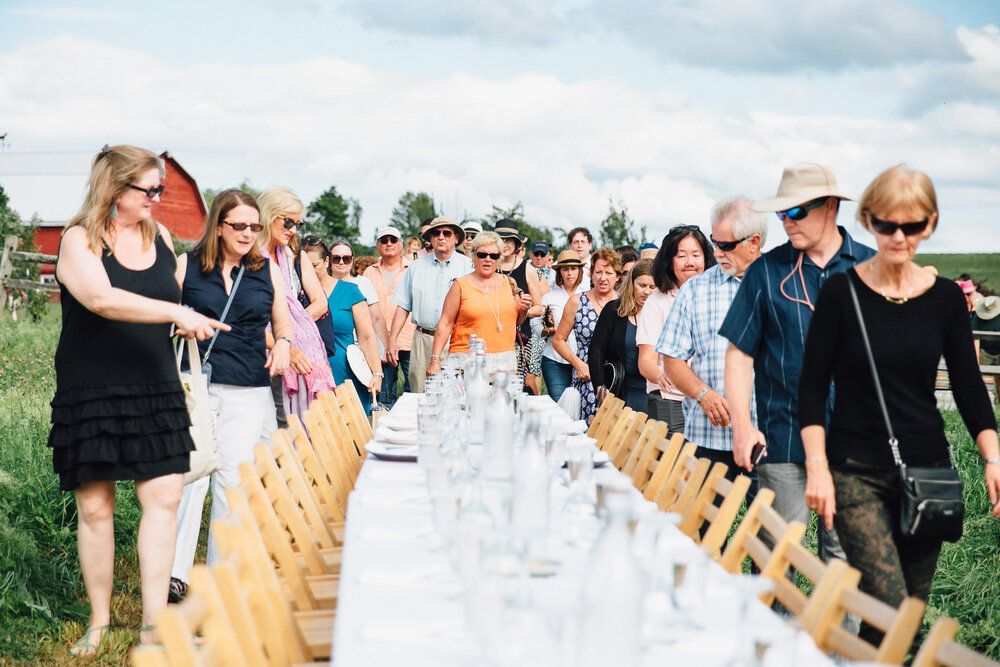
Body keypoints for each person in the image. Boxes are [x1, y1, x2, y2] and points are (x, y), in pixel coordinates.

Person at [798, 165, 1000, 643]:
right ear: (869, 220)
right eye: (887, 224)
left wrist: (992, 457)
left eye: (911, 226)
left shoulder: (947, 299)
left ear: (928, 225)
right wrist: (817, 467)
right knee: (888, 602)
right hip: (854, 473)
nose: (898, 236)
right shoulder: (841, 292)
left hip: (927, 472)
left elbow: (970, 388)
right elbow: (811, 386)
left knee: (902, 620)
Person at [50, 145, 225, 653]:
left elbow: (169, 303)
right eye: (148, 189)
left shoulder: (162, 236)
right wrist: (176, 314)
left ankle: (153, 623)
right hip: (94, 386)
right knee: (97, 506)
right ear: (114, 188)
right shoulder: (78, 240)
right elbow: (102, 299)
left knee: (165, 498)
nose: (156, 198)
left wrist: (190, 315)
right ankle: (100, 620)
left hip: (156, 381)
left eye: (160, 189)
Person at [721, 163, 875, 568]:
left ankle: (833, 635)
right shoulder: (766, 272)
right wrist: (742, 426)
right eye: (781, 214)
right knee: (776, 553)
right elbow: (739, 353)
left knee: (844, 563)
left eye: (796, 212)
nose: (786, 223)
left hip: (852, 446)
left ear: (829, 208)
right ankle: (770, 633)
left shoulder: (872, 269)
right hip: (784, 440)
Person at [170, 189, 293, 601]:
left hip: (246, 386)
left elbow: (283, 324)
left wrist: (283, 346)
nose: (247, 233)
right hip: (196, 383)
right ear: (218, 226)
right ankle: (175, 573)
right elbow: (162, 318)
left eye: (254, 226)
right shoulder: (187, 265)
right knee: (189, 477)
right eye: (238, 225)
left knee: (230, 482)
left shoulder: (265, 269)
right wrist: (178, 325)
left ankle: (217, 580)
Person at [659, 198, 765, 479]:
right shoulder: (695, 290)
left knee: (768, 524)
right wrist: (702, 394)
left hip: (767, 436)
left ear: (754, 242)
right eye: (714, 243)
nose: (716, 253)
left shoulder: (782, 285)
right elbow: (671, 359)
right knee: (698, 523)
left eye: (726, 245)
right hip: (709, 435)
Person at [258, 187, 335, 423]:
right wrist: (281, 344)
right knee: (274, 426)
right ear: (269, 215)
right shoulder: (249, 256)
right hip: (261, 351)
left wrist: (294, 330)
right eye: (288, 222)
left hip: (292, 346)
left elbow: (320, 302)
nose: (293, 230)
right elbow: (244, 318)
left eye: (298, 224)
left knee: (297, 422)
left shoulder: (290, 255)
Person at [636, 224, 715, 433]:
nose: (690, 263)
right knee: (672, 462)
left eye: (696, 255)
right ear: (670, 262)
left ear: (706, 259)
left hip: (710, 400)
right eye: (681, 256)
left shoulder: (715, 297)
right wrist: (663, 378)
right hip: (669, 400)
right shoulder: (656, 302)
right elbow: (646, 360)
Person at [387, 216, 473, 392]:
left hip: (456, 340)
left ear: (456, 238)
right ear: (430, 238)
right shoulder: (415, 267)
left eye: (446, 233)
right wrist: (392, 340)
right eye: (436, 233)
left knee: (456, 396)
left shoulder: (469, 267)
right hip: (422, 339)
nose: (441, 237)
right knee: (420, 395)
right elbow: (403, 306)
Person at [428, 231, 532, 374]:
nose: (487, 259)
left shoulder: (509, 283)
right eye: (482, 255)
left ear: (499, 258)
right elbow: (445, 323)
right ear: (473, 256)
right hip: (466, 362)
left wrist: (523, 309)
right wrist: (435, 360)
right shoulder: (460, 285)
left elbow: (516, 322)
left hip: (504, 364)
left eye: (494, 256)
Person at [305, 238, 382, 413]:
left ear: (326, 262)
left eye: (314, 265)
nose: (310, 271)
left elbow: (367, 336)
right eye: (304, 267)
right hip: (310, 377)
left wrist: (377, 373)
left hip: (346, 373)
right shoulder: (299, 295)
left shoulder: (350, 291)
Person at [553, 248, 621, 423]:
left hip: (617, 380)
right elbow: (558, 340)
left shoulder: (624, 305)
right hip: (586, 377)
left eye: (608, 273)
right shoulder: (577, 301)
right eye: (598, 272)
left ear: (617, 276)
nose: (603, 278)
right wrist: (578, 365)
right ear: (591, 274)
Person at [588, 259, 656, 413]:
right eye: (642, 285)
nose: (647, 291)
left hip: (653, 393)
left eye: (652, 287)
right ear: (632, 284)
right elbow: (596, 349)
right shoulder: (614, 310)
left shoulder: (663, 315)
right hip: (621, 391)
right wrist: (599, 385)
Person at [364, 226, 415, 407]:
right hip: (380, 343)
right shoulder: (369, 272)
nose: (389, 244)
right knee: (383, 396)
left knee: (413, 393)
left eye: (393, 240)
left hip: (409, 340)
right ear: (377, 245)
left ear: (401, 244)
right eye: (384, 241)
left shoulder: (413, 269)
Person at [534, 250, 586, 402]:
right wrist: (548, 330)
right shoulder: (549, 298)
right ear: (559, 273)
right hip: (554, 360)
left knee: (581, 405)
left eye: (573, 268)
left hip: (583, 359)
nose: (570, 273)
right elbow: (535, 325)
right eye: (565, 269)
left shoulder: (588, 295)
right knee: (560, 404)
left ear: (580, 271)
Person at [495, 218, 541, 393]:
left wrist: (521, 310)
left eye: (509, 240)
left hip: (520, 339)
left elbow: (539, 308)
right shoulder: (488, 264)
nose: (505, 244)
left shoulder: (527, 269)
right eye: (501, 239)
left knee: (517, 388)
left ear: (517, 244)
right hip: (493, 336)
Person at [972, 295, 1000, 365]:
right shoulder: (976, 319)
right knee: (984, 374)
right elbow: (975, 341)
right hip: (984, 352)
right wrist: (976, 362)